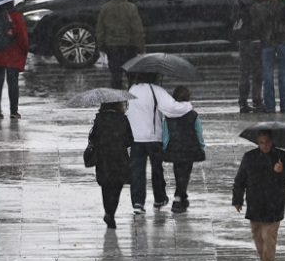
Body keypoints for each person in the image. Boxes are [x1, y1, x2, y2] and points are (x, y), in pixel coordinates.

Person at [232, 130, 285, 261]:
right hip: (255, 205)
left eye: (267, 142)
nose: (265, 145)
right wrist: (237, 199)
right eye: (261, 142)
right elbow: (240, 179)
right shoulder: (250, 157)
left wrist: (282, 171)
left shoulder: (282, 157)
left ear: (272, 141)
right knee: (259, 239)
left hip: (274, 206)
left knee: (269, 238)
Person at [126, 73, 194, 214]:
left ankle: (138, 203)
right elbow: (172, 109)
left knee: (137, 172)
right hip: (153, 137)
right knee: (157, 170)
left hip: (136, 138)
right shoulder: (156, 90)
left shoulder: (132, 89)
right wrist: (187, 105)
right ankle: (159, 197)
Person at [87, 101, 135, 229]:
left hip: (103, 158)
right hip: (119, 158)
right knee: (117, 186)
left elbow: (93, 139)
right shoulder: (123, 119)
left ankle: (108, 212)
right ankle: (111, 212)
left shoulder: (99, 119)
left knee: (106, 186)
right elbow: (130, 139)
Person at [250, 0, 285, 113]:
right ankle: (284, 106)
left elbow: (256, 26)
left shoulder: (258, 7)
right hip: (284, 42)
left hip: (267, 43)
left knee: (268, 75)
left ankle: (270, 106)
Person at [161, 86, 204, 213]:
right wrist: (201, 146)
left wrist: (164, 148)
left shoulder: (169, 115)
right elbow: (198, 132)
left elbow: (166, 134)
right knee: (185, 173)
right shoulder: (193, 114)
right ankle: (179, 198)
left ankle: (181, 197)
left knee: (178, 172)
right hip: (190, 148)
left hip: (175, 148)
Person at [94, 0, 145, 89]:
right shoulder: (131, 8)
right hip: (129, 46)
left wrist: (102, 47)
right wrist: (141, 48)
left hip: (112, 46)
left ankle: (117, 101)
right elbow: (138, 30)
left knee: (116, 75)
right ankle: (131, 99)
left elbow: (100, 30)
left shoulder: (105, 8)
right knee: (131, 75)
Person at [231, 0, 263, 113]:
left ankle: (243, 102)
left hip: (243, 41)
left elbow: (232, 19)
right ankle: (257, 100)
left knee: (244, 72)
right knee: (257, 72)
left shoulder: (239, 3)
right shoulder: (258, 4)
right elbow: (262, 21)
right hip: (256, 40)